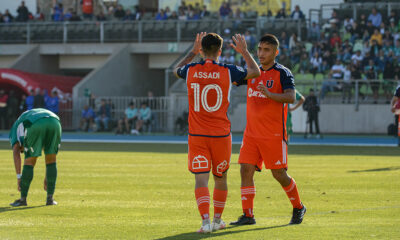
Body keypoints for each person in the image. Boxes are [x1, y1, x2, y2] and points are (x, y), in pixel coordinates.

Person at [174, 32, 260, 233]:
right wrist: (245, 52)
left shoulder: (191, 69)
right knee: (220, 178)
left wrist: (192, 52)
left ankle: (205, 222)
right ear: (220, 51)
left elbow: (175, 69)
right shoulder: (228, 70)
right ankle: (218, 219)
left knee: (201, 178)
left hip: (197, 135)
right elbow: (255, 72)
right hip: (221, 135)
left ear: (202, 50)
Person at [229, 34, 306, 226]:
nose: (262, 53)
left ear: (276, 52)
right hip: (251, 134)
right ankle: (248, 215)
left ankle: (298, 207)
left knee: (279, 174)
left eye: (267, 50)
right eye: (260, 49)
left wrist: (269, 94)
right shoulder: (253, 72)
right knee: (245, 169)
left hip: (273, 134)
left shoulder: (283, 73)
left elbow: (290, 97)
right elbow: (231, 78)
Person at [9, 108, 61, 207]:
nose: (22, 151)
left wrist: (19, 177)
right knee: (51, 160)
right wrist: (48, 177)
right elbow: (49, 162)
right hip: (55, 121)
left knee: (29, 161)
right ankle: (50, 198)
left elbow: (16, 151)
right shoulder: (24, 119)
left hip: (35, 122)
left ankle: (23, 199)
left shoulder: (14, 130)